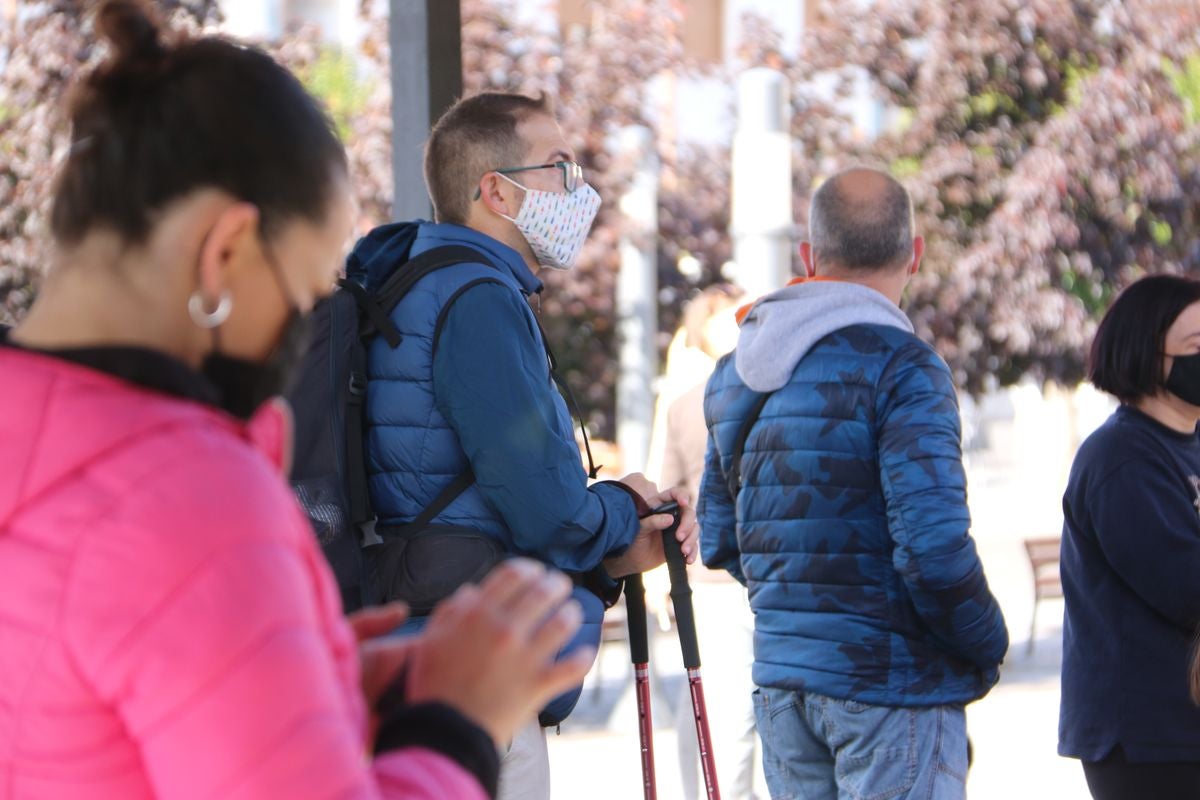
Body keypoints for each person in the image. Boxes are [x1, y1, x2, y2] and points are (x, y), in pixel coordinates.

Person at [0, 3, 594, 798]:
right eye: (307, 295)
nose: (304, 339)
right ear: (225, 256)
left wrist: (302, 686)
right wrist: (457, 722)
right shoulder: (196, 501)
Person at [348, 91, 697, 799]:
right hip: (472, 673)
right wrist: (629, 508)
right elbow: (550, 513)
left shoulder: (417, 282)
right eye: (559, 167)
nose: (579, 188)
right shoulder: (475, 297)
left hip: (423, 641)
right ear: (495, 192)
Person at [699, 167, 1008, 800]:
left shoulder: (737, 372)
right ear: (914, 255)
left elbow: (720, 538)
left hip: (785, 686)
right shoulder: (905, 368)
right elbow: (934, 551)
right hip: (892, 685)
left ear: (809, 258)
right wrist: (987, 642)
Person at [1059, 274, 1200, 799]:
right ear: (1147, 354)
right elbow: (1185, 585)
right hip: (1148, 740)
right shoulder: (1120, 459)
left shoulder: (1190, 444)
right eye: (1196, 347)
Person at [649, 285, 765, 800]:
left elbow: (667, 498)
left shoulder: (682, 404)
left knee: (721, 710)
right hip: (754, 573)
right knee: (745, 713)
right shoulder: (770, 389)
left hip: (709, 574)